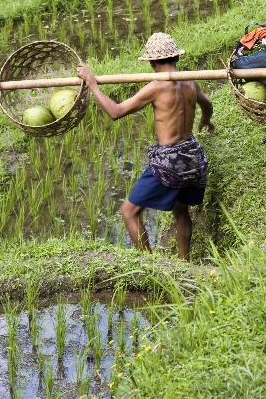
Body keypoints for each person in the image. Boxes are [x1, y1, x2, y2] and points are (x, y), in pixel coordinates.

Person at [77, 32, 214, 260]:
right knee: (181, 211)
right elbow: (207, 104)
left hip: (171, 161)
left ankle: (150, 266)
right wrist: (205, 119)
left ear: (151, 62)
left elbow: (115, 112)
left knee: (129, 212)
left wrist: (92, 84)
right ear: (176, 58)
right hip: (193, 157)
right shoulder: (191, 80)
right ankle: (184, 262)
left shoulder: (157, 86)